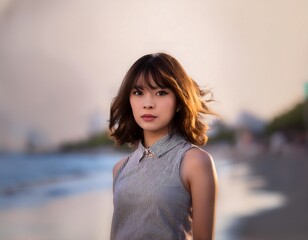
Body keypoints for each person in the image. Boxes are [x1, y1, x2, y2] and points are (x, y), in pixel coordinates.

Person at [109, 52, 218, 240]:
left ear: (178, 101)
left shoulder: (195, 162)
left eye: (161, 93)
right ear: (129, 100)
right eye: (138, 93)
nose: (148, 104)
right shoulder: (120, 168)